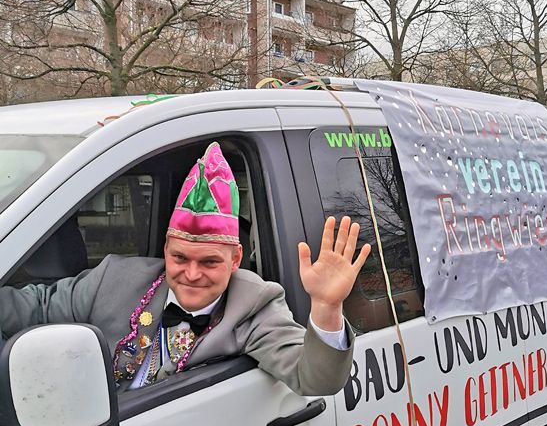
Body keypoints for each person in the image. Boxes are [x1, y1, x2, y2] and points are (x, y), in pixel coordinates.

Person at [0, 143, 371, 395]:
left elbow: (314, 379)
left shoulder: (255, 304)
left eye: (210, 262)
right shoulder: (113, 278)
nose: (191, 274)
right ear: (166, 250)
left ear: (235, 259)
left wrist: (326, 307)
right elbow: (33, 307)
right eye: (179, 258)